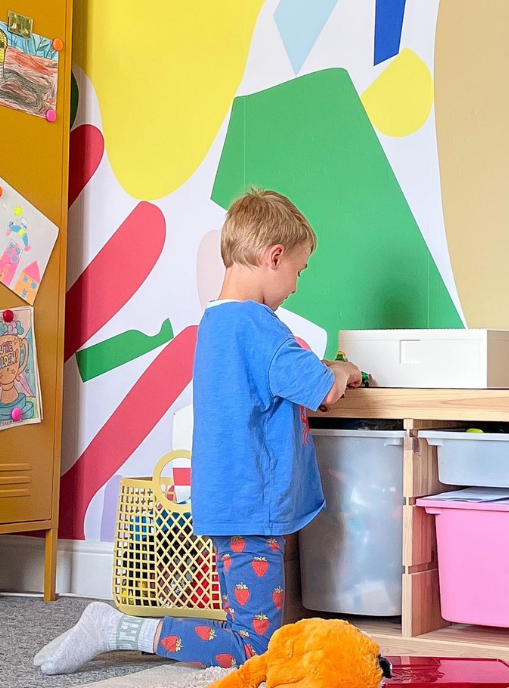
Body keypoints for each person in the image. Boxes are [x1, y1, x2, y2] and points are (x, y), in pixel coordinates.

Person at [36, 188, 363, 674]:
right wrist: (343, 369)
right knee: (256, 648)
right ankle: (120, 628)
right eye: (298, 270)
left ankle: (204, 659)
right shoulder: (259, 326)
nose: (296, 286)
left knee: (240, 626)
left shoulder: (217, 320)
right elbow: (321, 389)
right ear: (274, 258)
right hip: (252, 506)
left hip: (226, 500)